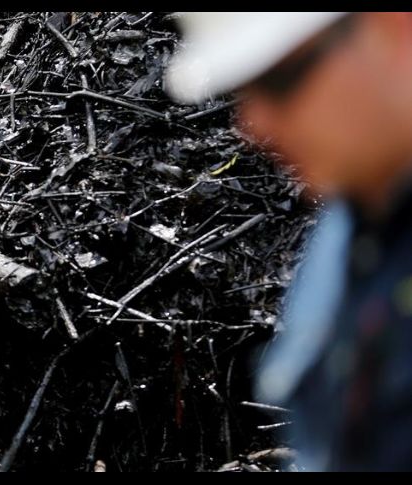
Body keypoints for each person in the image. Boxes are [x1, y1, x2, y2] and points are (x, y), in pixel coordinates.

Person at [165, 12, 412, 471]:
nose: (254, 124)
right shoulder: (343, 245)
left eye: (281, 80)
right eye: (245, 92)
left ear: (393, 29)